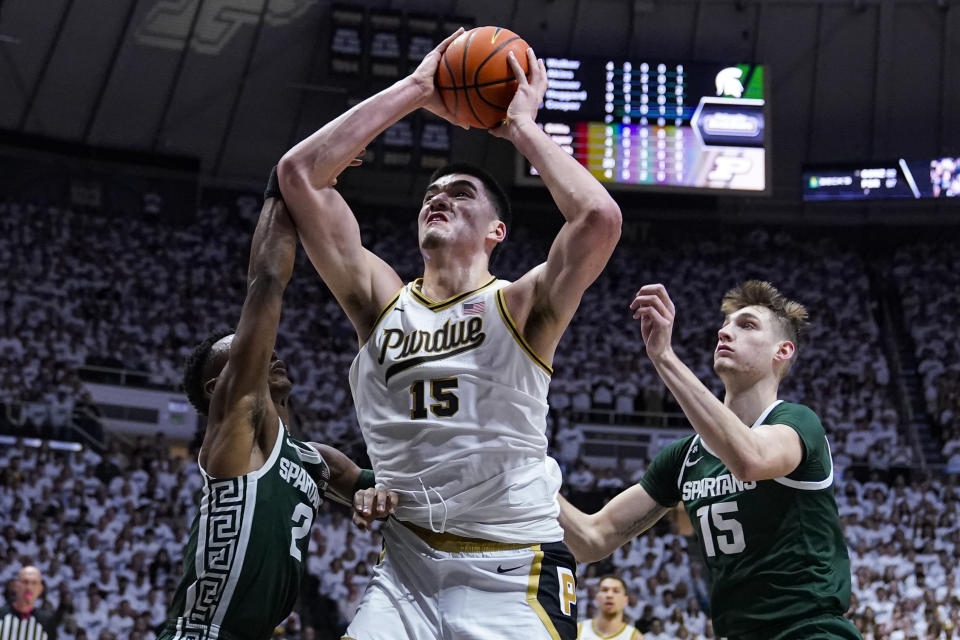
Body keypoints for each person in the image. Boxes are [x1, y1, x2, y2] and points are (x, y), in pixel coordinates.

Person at [279, 28, 621, 640]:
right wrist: (415, 88)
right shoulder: (378, 300)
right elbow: (300, 174)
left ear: (496, 232)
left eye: (461, 194)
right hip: (405, 567)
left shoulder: (521, 304)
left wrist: (519, 128)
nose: (438, 198)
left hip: (513, 567)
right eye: (431, 194)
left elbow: (598, 218)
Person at [559, 281, 860, 640]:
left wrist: (664, 357)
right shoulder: (684, 457)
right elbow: (591, 539)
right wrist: (521, 462)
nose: (725, 331)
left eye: (746, 325)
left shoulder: (797, 423)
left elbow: (750, 460)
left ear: (783, 350)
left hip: (808, 631)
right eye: (726, 325)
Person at [157, 173, 379, 640]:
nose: (270, 352)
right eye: (247, 352)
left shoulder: (317, 459)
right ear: (222, 385)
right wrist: (285, 185)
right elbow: (266, 284)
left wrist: (379, 495)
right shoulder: (236, 431)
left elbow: (394, 490)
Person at [0, 565, 60, 640]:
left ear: (40, 589)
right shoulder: (1, 616)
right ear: (16, 586)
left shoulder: (46, 621)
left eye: (34, 583)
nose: (29, 588)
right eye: (25, 582)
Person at [578, 576, 645, 640]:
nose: (609, 595)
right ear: (596, 598)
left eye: (616, 591)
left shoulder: (635, 637)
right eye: (604, 590)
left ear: (625, 600)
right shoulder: (578, 630)